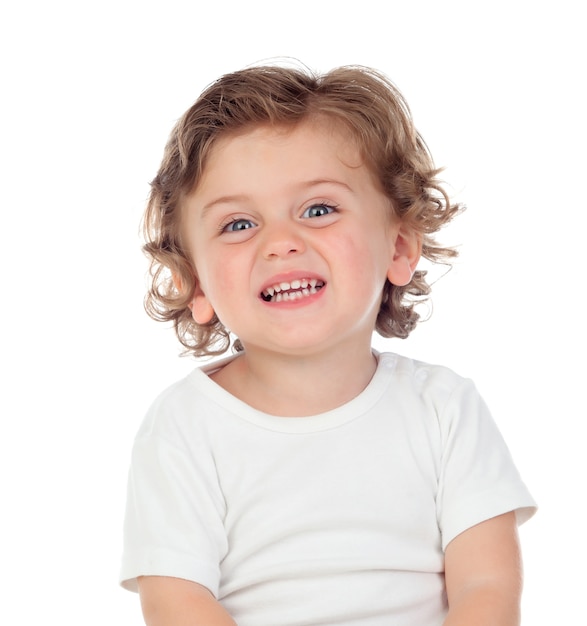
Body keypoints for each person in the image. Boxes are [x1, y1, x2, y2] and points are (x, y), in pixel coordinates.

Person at [120, 63, 536, 626]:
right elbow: (176, 603)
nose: (282, 243)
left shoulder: (445, 409)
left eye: (318, 209)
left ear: (399, 246)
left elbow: (486, 587)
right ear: (195, 284)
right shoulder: (184, 426)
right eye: (239, 224)